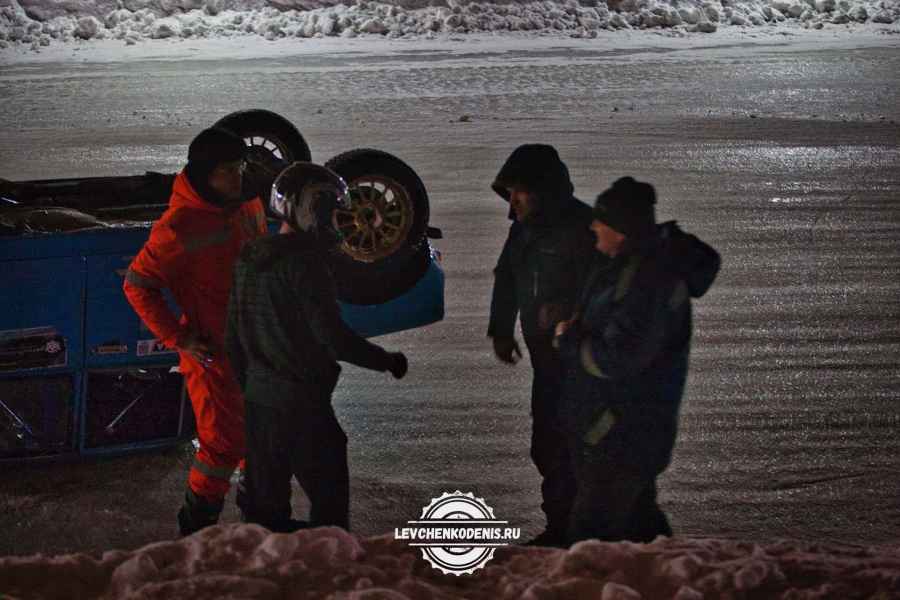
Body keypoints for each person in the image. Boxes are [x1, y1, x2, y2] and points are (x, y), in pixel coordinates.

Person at [224, 162, 408, 533]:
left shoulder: (250, 257)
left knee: (265, 517)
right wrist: (387, 361)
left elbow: (233, 337)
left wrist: (254, 387)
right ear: (311, 209)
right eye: (330, 212)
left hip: (260, 405)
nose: (335, 223)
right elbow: (333, 337)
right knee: (330, 513)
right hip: (302, 405)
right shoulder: (306, 265)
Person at [555, 176, 720, 544]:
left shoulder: (646, 279)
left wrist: (569, 342)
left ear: (620, 228)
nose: (593, 226)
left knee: (591, 538)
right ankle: (677, 571)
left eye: (600, 220)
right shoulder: (629, 266)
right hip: (623, 428)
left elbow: (620, 357)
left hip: (624, 433)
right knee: (640, 527)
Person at [123, 127, 267, 536]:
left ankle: (261, 524)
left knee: (262, 437)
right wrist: (179, 339)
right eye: (227, 171)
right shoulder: (179, 226)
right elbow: (137, 285)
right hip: (214, 357)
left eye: (240, 167)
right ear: (205, 174)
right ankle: (195, 534)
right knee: (221, 447)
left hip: (259, 347)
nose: (237, 177)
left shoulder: (248, 202)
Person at [487, 144, 598, 547]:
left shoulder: (585, 228)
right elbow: (506, 276)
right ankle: (561, 527)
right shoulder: (523, 228)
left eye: (520, 192)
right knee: (547, 444)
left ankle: (579, 532)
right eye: (510, 193)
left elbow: (606, 293)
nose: (513, 202)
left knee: (575, 445)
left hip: (582, 363)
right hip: (545, 361)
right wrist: (501, 330)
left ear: (544, 191)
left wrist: (569, 310)